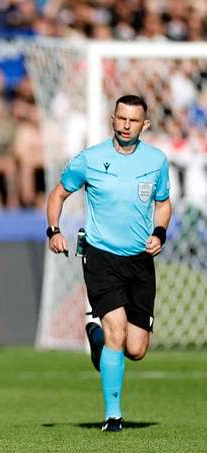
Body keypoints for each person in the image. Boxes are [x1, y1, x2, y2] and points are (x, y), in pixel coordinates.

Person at [45, 95, 171, 432]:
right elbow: (58, 194)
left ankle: (95, 338)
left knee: (136, 348)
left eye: (134, 121)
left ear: (144, 125)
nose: (126, 126)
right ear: (111, 119)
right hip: (101, 257)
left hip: (140, 262)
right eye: (121, 119)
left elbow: (163, 204)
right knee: (117, 331)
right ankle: (113, 415)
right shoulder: (90, 159)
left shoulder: (156, 161)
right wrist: (54, 231)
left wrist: (159, 232)